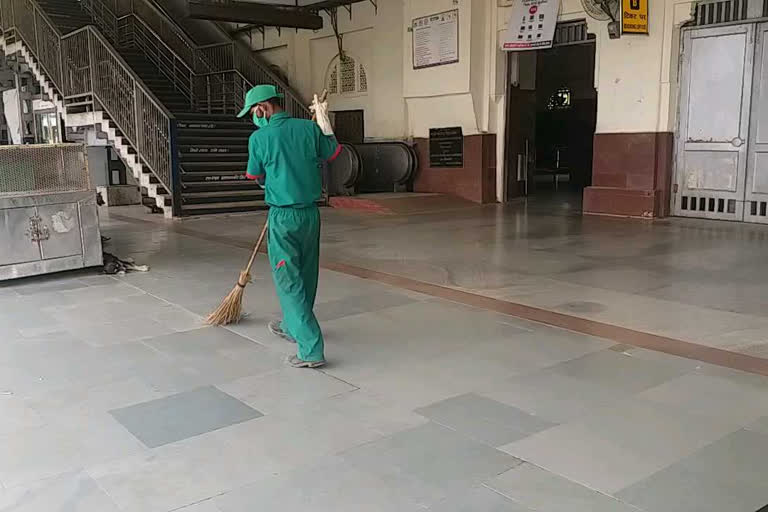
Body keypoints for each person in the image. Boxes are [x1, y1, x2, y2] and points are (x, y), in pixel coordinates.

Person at [237, 84, 340, 368]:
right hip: (310, 215)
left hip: (283, 217)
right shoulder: (307, 129)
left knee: (288, 280)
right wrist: (323, 122)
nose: (255, 117)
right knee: (306, 274)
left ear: (265, 108)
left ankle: (310, 348)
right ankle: (292, 325)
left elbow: (254, 175)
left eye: (255, 111)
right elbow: (332, 153)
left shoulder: (259, 138)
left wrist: (271, 179)